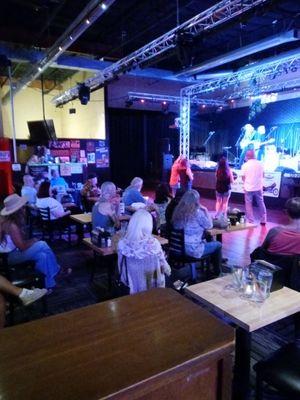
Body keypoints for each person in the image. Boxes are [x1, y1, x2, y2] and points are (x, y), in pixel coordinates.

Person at [0, 194, 61, 289]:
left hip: (11, 254)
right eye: (22, 207)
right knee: (42, 244)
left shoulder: (10, 221)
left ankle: (46, 285)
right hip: (8, 257)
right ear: (17, 210)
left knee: (42, 256)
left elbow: (20, 244)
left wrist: (32, 240)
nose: (24, 208)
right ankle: (57, 270)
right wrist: (34, 240)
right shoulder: (12, 225)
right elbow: (22, 247)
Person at [117, 209, 171, 294]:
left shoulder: (122, 244)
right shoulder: (154, 244)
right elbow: (165, 268)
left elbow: (121, 268)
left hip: (131, 286)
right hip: (152, 285)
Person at [172, 190, 222, 277]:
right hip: (192, 250)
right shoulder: (197, 213)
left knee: (206, 239)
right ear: (197, 201)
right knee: (218, 245)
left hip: (177, 250)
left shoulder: (177, 212)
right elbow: (209, 225)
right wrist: (206, 210)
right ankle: (217, 272)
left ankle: (208, 268)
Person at [241, 149, 267, 225]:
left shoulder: (245, 165)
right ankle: (263, 220)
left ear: (247, 156)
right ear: (254, 155)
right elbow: (263, 175)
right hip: (258, 187)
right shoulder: (261, 164)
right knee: (261, 203)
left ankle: (251, 220)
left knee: (248, 204)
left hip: (248, 187)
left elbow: (243, 178)